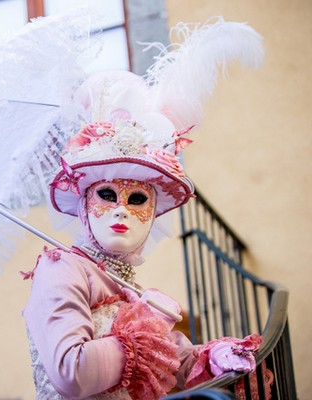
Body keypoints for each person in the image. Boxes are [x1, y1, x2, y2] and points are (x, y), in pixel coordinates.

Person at [22, 20, 268, 400]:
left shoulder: (127, 286)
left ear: (154, 212)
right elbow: (70, 372)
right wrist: (147, 329)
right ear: (84, 205)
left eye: (138, 199)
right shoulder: (62, 269)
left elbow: (173, 364)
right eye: (106, 194)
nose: (121, 210)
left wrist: (214, 357)